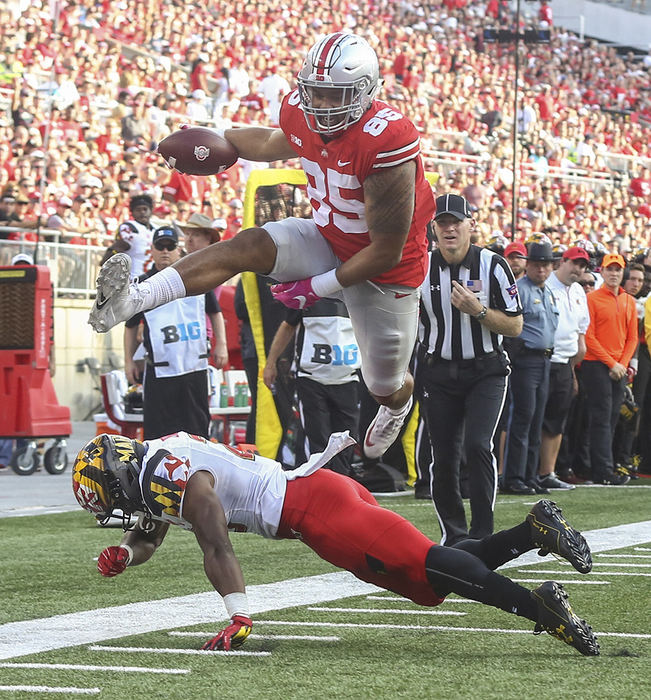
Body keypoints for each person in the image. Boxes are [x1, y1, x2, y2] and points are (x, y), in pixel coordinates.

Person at [88, 32, 436, 461]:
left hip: (387, 273)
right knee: (249, 244)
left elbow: (386, 249)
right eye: (316, 92)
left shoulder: (387, 140)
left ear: (364, 93)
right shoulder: (300, 110)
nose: (322, 105)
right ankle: (134, 299)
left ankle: (398, 405)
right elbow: (274, 143)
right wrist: (218, 139)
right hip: (329, 238)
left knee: (383, 383)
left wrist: (318, 286)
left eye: (334, 94)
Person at [72, 431, 598, 656]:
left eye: (105, 496)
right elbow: (152, 528)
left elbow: (214, 542)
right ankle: (533, 533)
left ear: (118, 476)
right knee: (426, 584)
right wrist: (128, 551)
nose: (113, 507)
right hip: (315, 502)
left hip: (317, 511)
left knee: (428, 568)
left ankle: (541, 606)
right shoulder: (154, 467)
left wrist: (239, 614)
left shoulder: (163, 472)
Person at [416, 194, 522, 545]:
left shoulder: (493, 265)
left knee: (478, 445)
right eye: (442, 222)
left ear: (470, 225)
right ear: (432, 228)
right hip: (437, 372)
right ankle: (454, 535)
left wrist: (478, 311)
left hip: (485, 371)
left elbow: (515, 326)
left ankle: (482, 534)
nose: (449, 228)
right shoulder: (419, 266)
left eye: (456, 221)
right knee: (442, 455)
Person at [123, 226, 222, 440]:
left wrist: (221, 344)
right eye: (160, 246)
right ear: (152, 249)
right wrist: (128, 360)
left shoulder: (196, 276)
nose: (165, 251)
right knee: (158, 433)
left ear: (179, 250)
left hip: (193, 367)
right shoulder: (142, 284)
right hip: (160, 370)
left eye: (170, 246)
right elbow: (130, 325)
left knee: (197, 429)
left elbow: (215, 312)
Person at [263, 297, 361, 475]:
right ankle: (320, 482)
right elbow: (287, 326)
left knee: (347, 438)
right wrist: (271, 363)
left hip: (348, 379)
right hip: (311, 379)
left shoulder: (357, 293)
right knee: (317, 439)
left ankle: (342, 484)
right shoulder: (307, 295)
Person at [501, 241, 559, 495]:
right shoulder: (521, 290)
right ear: (529, 265)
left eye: (546, 265)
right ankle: (513, 477)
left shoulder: (547, 291)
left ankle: (530, 474)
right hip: (525, 360)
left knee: (536, 420)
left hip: (545, 360)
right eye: (537, 264)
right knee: (522, 418)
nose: (542, 269)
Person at [581, 253, 638, 485]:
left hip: (618, 368)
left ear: (622, 273)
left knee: (614, 417)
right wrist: (612, 363)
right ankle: (603, 471)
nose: (614, 273)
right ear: (602, 272)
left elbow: (632, 337)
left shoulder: (628, 301)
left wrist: (621, 364)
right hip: (596, 364)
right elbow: (589, 336)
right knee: (602, 418)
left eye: (617, 269)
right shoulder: (592, 299)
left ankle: (605, 466)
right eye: (609, 269)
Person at [539, 247, 591, 490]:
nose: (579, 269)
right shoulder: (546, 284)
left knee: (556, 420)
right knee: (528, 418)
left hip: (565, 363)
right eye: (575, 263)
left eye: (583, 265)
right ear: (563, 262)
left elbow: (581, 332)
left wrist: (572, 367)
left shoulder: (579, 290)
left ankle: (546, 472)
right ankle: (514, 471)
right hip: (542, 360)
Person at [104, 194, 155, 278]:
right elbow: (118, 247)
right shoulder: (128, 227)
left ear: (151, 210)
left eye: (145, 209)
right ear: (132, 212)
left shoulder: (157, 229)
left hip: (154, 278)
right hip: (133, 279)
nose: (142, 212)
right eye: (138, 210)